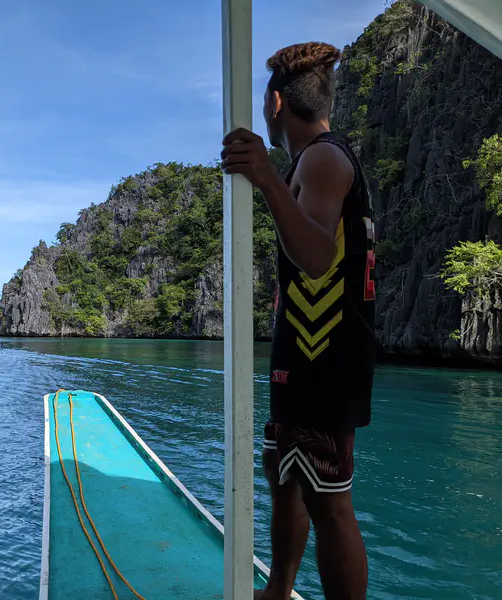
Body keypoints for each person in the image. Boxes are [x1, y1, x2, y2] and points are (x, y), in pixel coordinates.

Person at [221, 41, 376, 600]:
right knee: (285, 476)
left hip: (327, 354)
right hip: (305, 349)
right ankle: (277, 592)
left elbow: (315, 258)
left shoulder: (324, 158)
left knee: (330, 500)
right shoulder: (314, 161)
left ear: (276, 103)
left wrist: (264, 178)